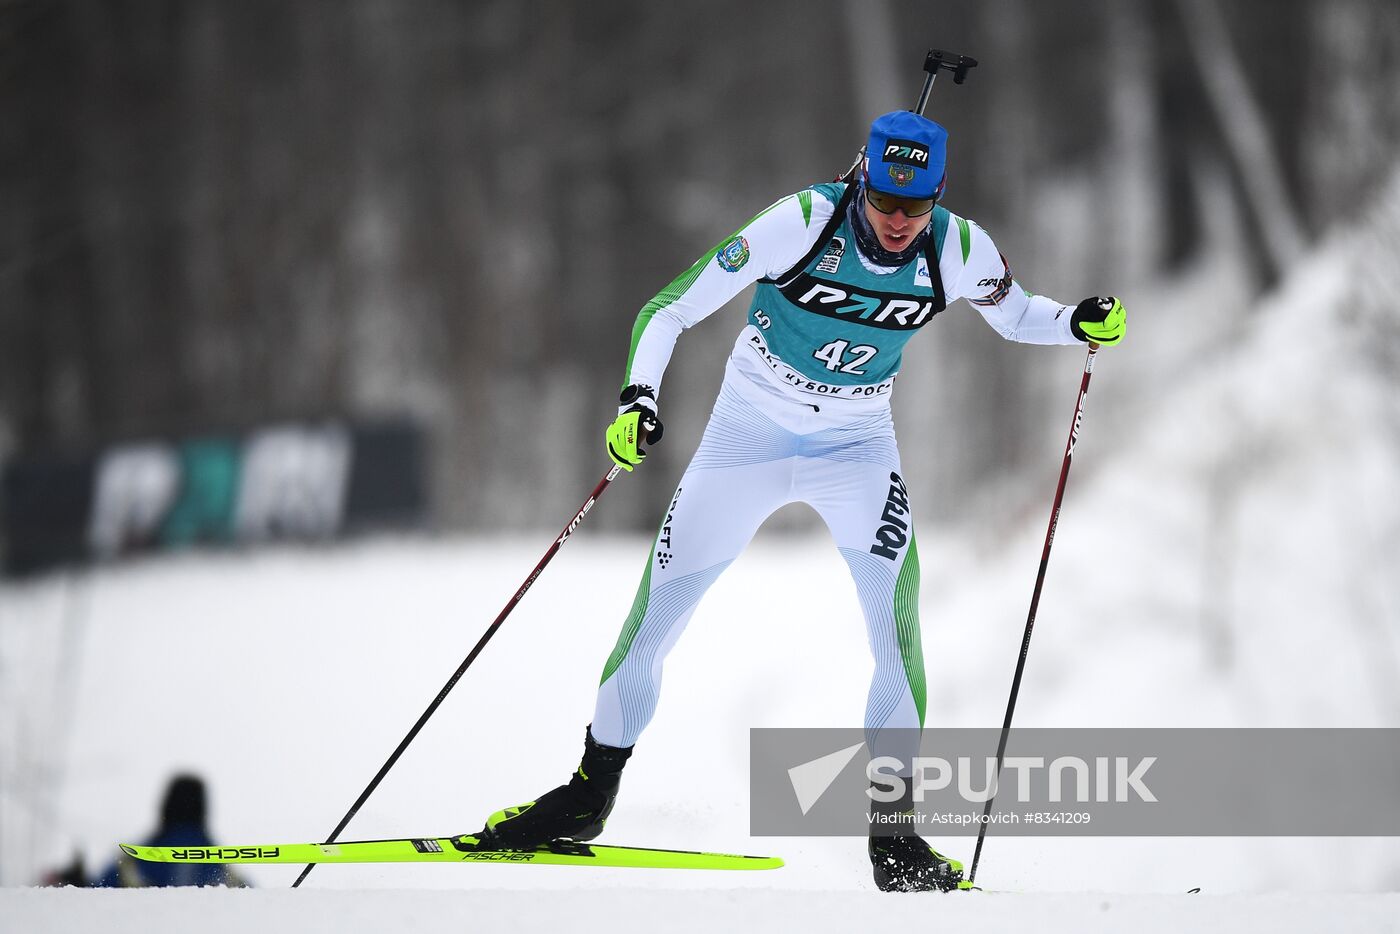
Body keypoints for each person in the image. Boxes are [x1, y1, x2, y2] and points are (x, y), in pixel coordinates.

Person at [477, 111, 1126, 891]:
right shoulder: (803, 221)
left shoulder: (957, 248)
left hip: (857, 449)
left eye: (912, 209)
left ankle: (895, 840)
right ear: (862, 177)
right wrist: (637, 400)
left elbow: (1018, 314)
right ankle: (586, 798)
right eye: (883, 201)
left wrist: (1074, 321)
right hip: (744, 439)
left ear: (937, 200)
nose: (894, 223)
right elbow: (669, 307)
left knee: (896, 631)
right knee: (653, 621)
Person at [92, 774, 248, 888]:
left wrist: (77, 884)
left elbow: (94, 900)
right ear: (204, 810)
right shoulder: (228, 874)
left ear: (165, 806)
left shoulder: (130, 864)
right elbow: (255, 911)